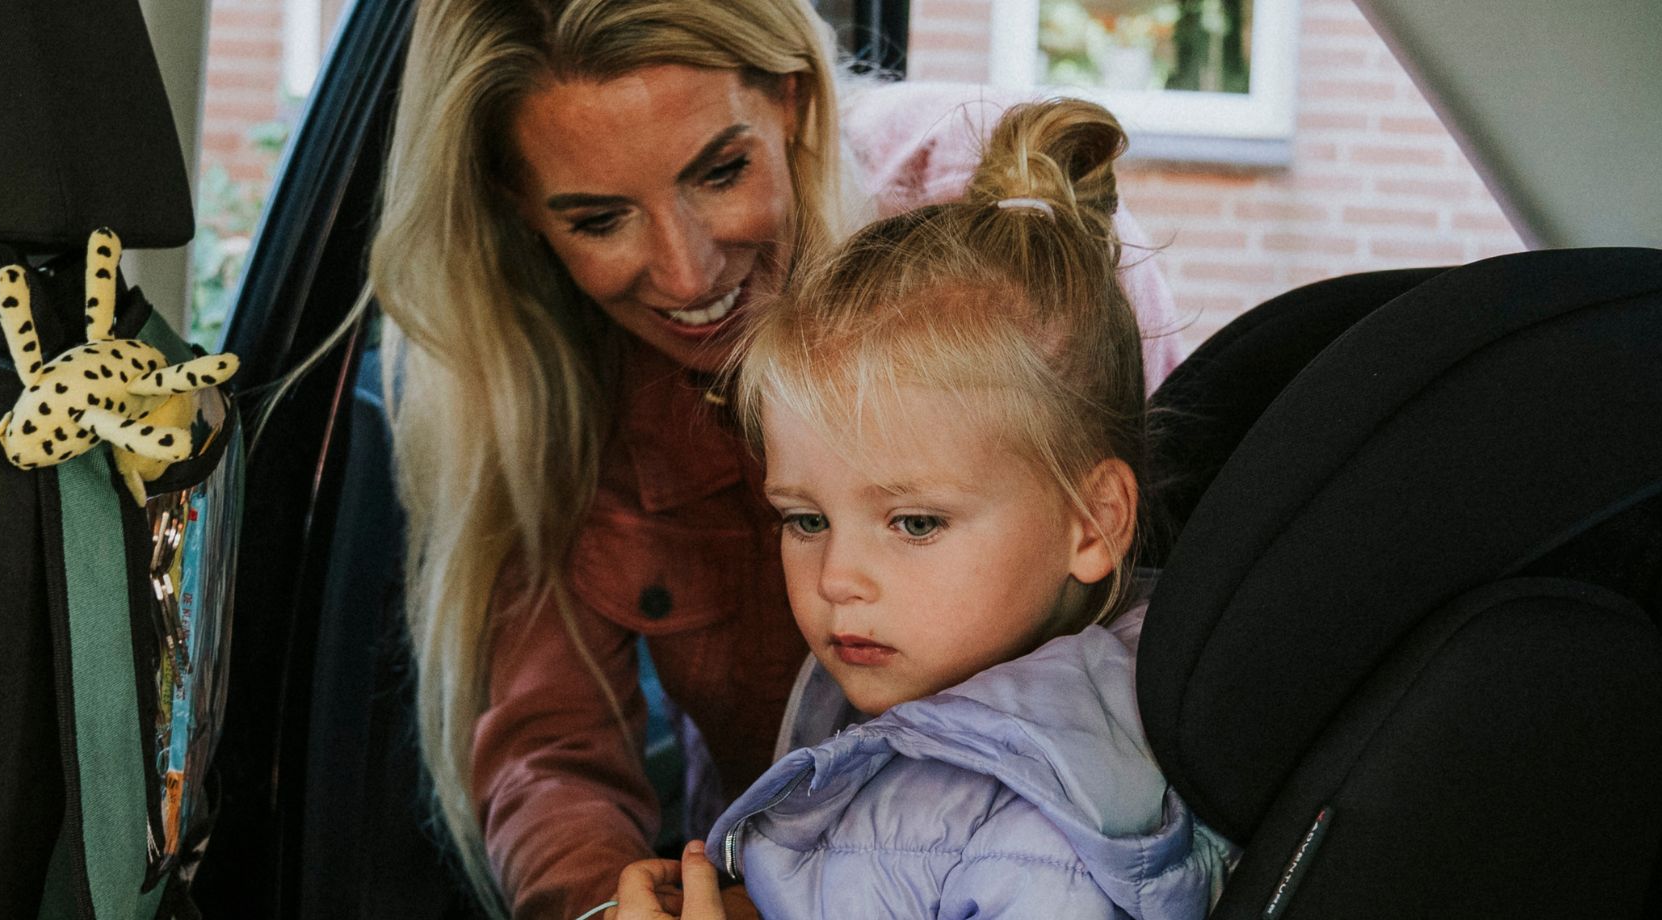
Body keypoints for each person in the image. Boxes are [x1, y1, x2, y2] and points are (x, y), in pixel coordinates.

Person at [366, 2, 1184, 917]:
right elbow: (553, 752)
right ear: (521, 212)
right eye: (601, 219)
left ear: (792, 98)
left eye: (721, 172)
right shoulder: (557, 387)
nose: (685, 274)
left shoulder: (1016, 238)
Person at [604, 98, 1226, 920]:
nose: (837, 579)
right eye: (805, 519)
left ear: (1093, 520)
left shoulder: (1053, 843)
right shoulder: (891, 697)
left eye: (916, 523)